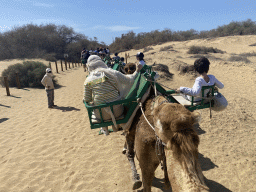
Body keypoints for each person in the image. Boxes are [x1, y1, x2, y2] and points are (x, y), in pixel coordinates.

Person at [83, 55, 142, 135]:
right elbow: (129, 80)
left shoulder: (88, 80)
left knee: (96, 103)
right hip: (118, 112)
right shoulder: (113, 73)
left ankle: (104, 128)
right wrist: (137, 71)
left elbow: (87, 99)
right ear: (101, 62)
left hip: (101, 115)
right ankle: (117, 126)